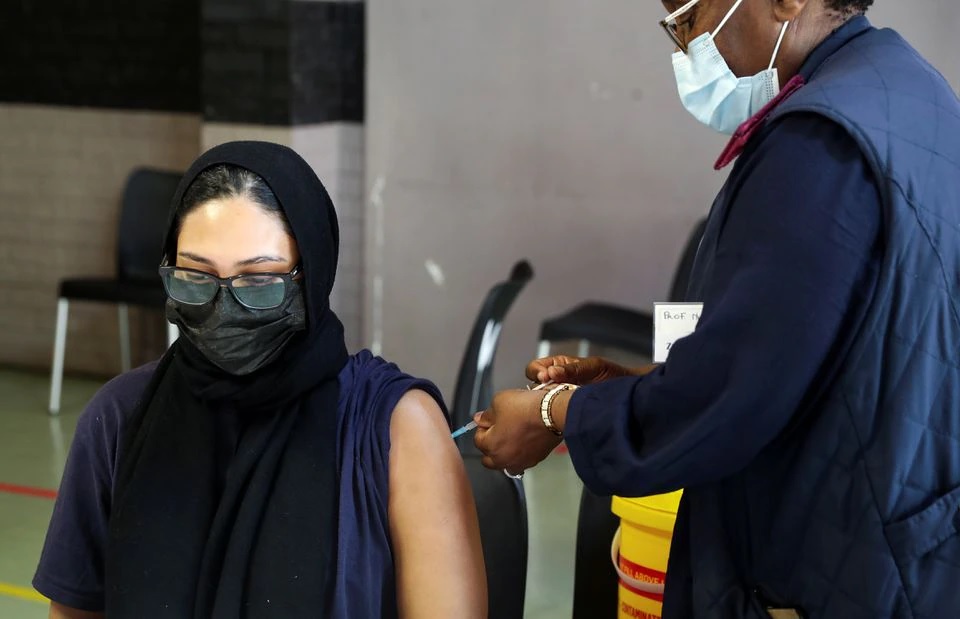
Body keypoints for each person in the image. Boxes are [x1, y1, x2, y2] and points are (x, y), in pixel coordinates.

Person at [476, 1, 960, 617]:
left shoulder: (819, 145)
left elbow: (734, 401)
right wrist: (638, 387)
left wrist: (556, 412)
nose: (685, 47)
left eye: (691, 16)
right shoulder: (913, 95)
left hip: (835, 571)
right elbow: (827, 361)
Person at [34, 141, 486, 619]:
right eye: (195, 277)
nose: (224, 307)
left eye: (260, 282)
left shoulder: (397, 429)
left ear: (311, 275)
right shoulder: (120, 417)